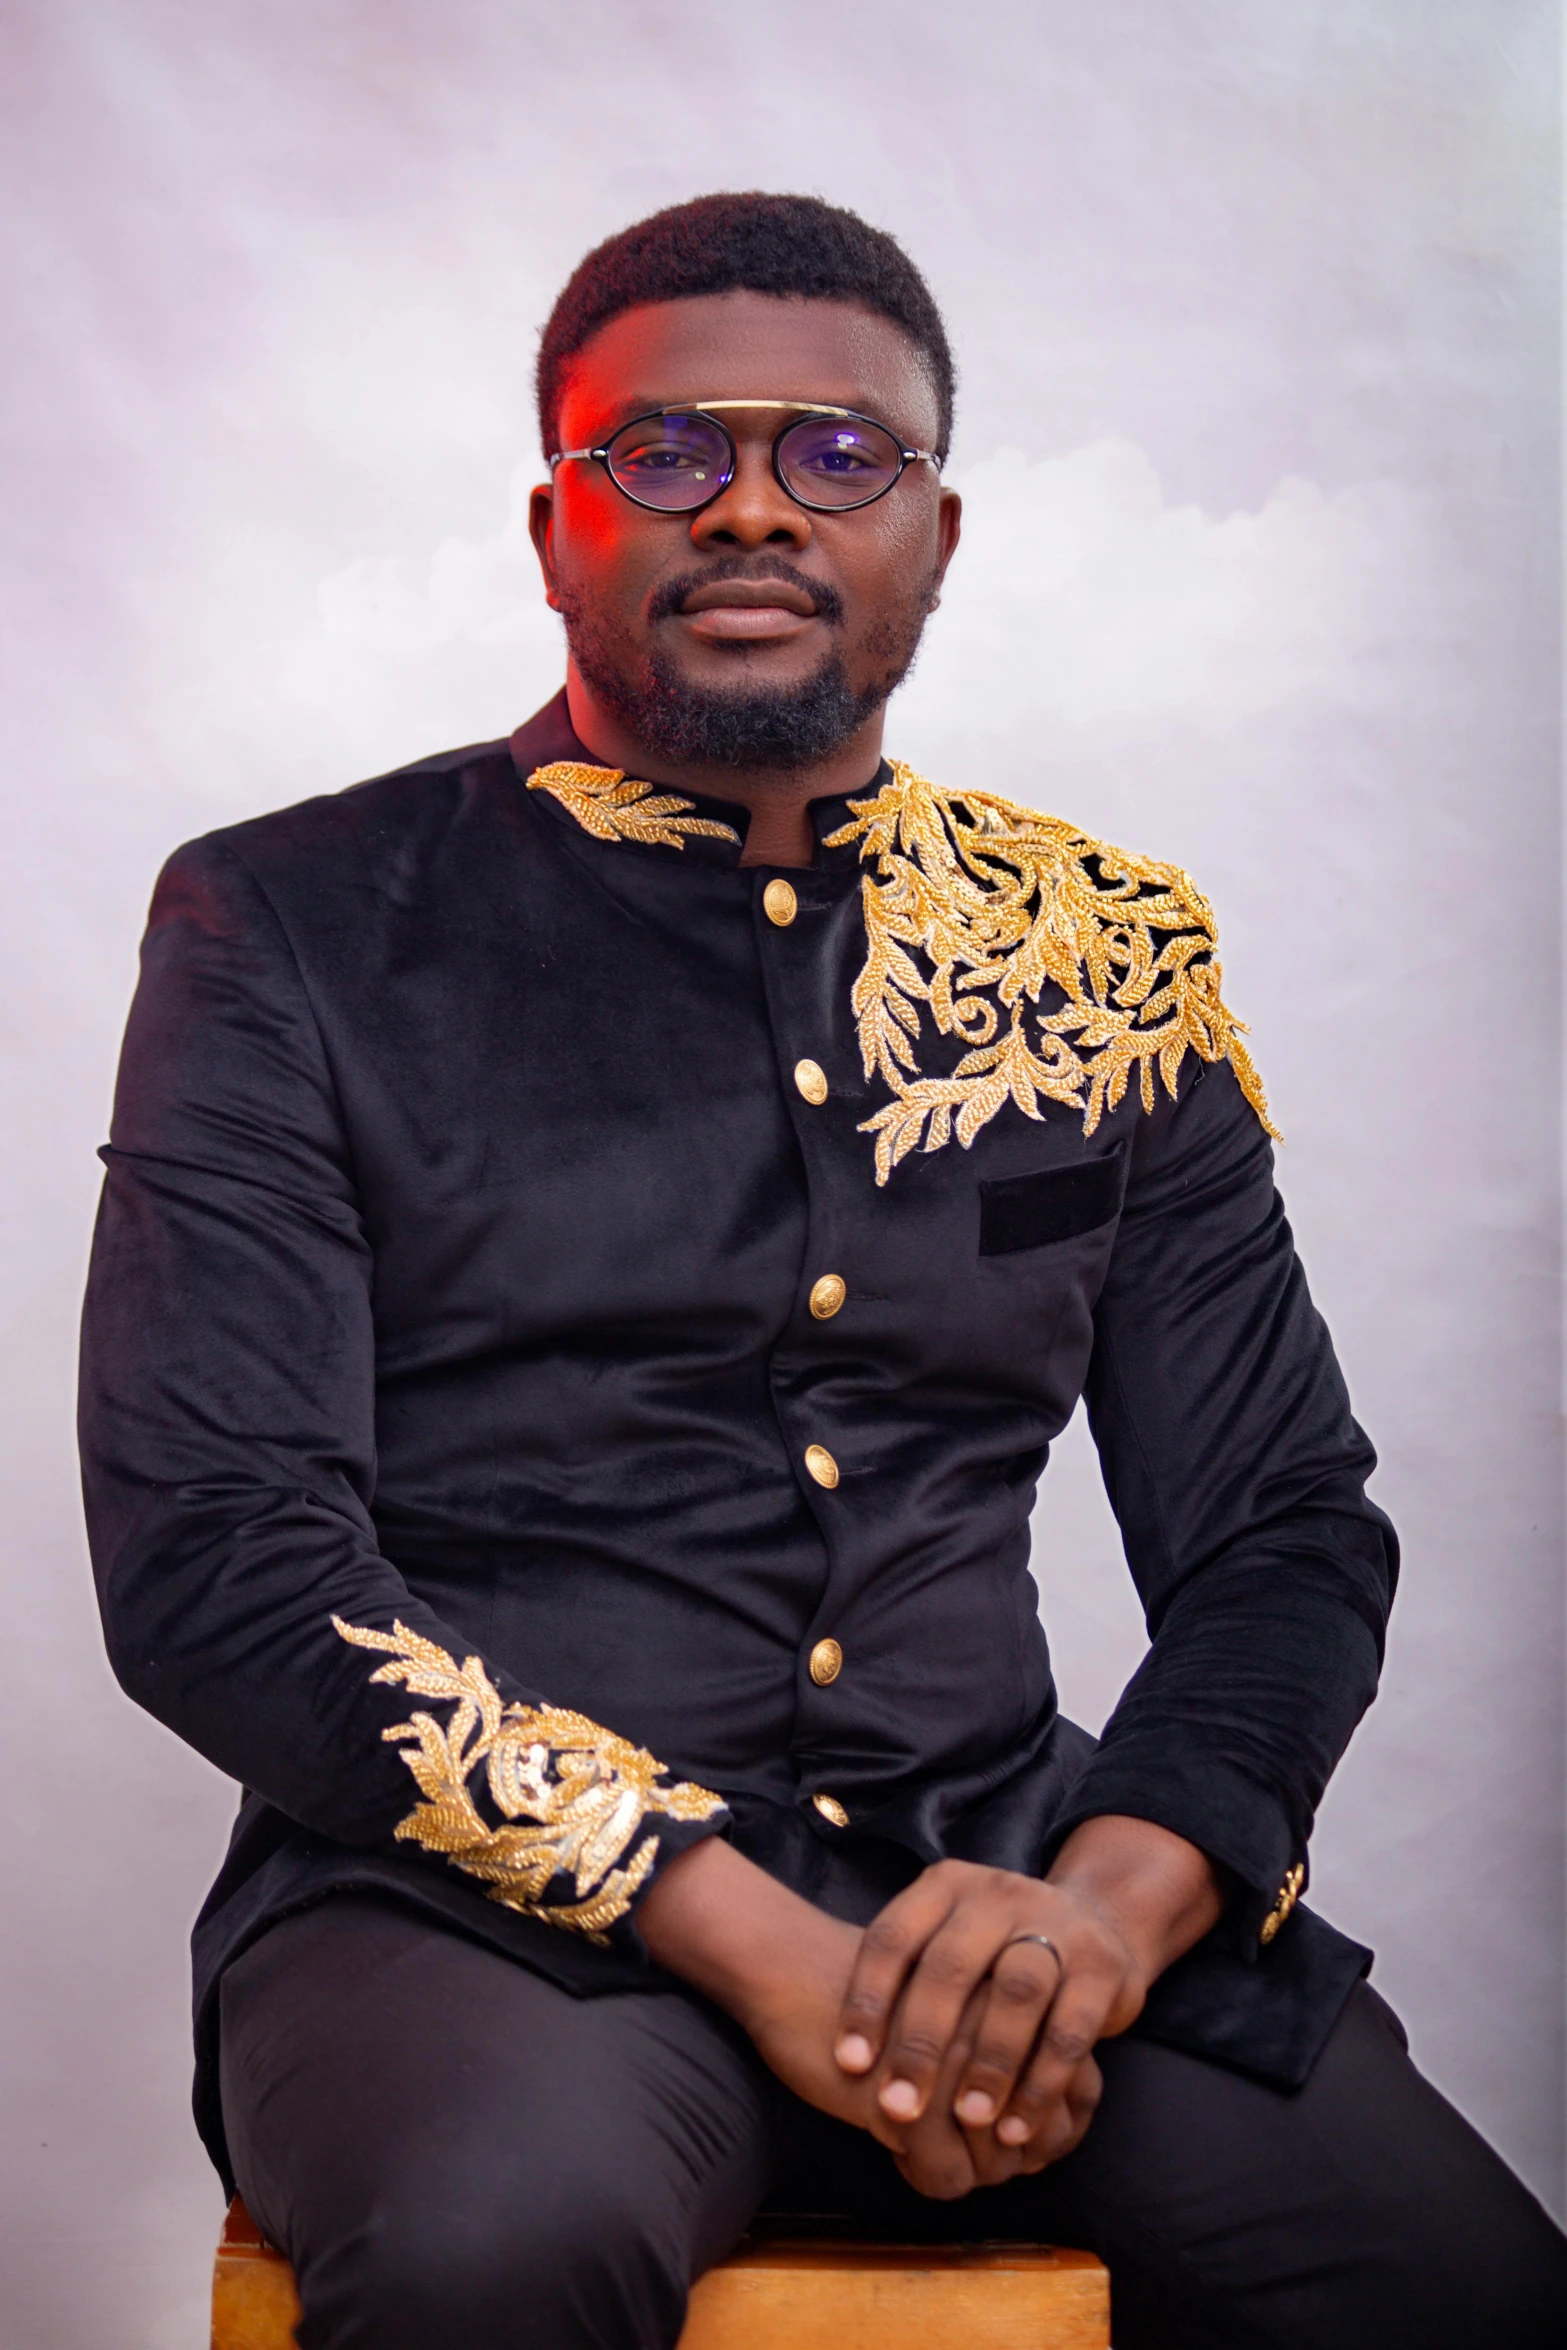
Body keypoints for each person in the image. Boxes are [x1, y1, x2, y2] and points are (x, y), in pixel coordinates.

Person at [79, 191, 1566, 2349]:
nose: (757, 504)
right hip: (474, 1923)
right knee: (499, 2248)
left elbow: (1278, 1529)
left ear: (940, 530)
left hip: (1011, 1877)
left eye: (840, 453)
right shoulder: (286, 922)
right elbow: (222, 1553)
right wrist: (755, 1933)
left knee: (1458, 2290)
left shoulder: (1100, 950)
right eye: (669, 450)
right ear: (554, 520)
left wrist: (1104, 1917)